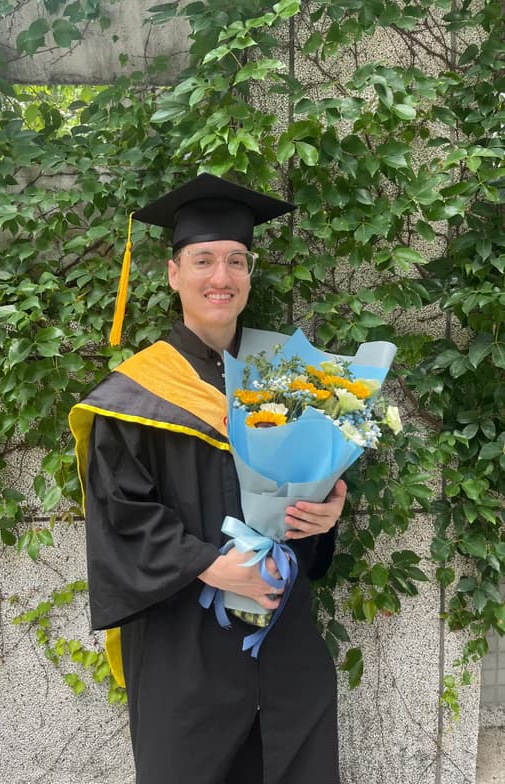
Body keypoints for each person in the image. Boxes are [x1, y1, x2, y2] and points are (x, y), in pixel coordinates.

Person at [69, 174, 347, 784]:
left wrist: (324, 516)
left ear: (249, 275)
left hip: (284, 647)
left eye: (235, 261)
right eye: (202, 260)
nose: (220, 277)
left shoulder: (286, 376)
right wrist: (206, 564)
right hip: (184, 652)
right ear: (174, 274)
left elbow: (307, 487)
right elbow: (121, 515)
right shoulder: (136, 393)